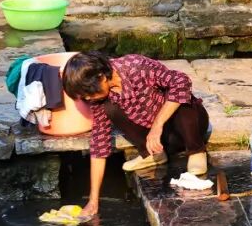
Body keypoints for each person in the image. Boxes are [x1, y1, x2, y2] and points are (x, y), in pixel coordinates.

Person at [61, 52, 209, 217]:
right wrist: (93, 200)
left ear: (101, 77)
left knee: (181, 96)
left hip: (187, 127)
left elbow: (181, 81)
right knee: (110, 107)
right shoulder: (99, 100)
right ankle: (154, 155)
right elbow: (99, 142)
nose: (88, 99)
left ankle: (196, 151)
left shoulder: (136, 66)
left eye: (88, 93)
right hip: (159, 142)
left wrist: (157, 125)